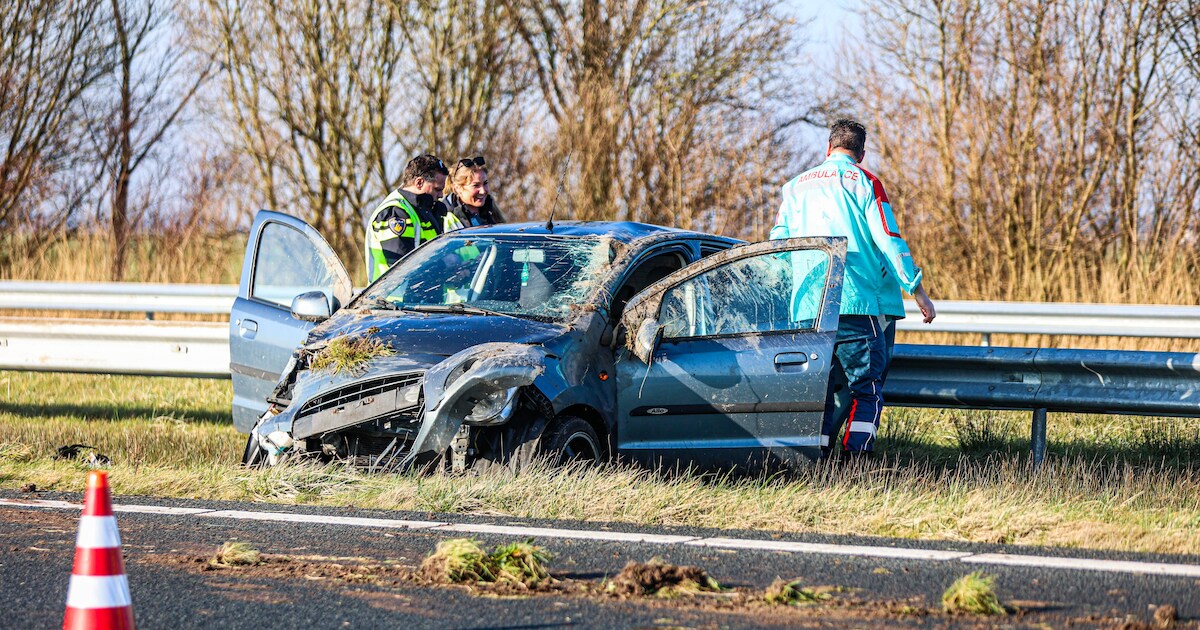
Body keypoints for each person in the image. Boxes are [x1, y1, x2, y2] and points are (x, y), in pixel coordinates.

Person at [770, 118, 936, 458]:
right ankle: (855, 460)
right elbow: (889, 241)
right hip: (856, 304)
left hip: (808, 309)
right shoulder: (865, 182)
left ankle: (814, 465)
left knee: (818, 392)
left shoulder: (795, 187)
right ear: (860, 154)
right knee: (866, 391)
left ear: (828, 149)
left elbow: (778, 247)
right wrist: (916, 289)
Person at [364, 155, 450, 282]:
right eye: (437, 189)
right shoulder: (395, 213)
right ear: (419, 182)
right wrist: (447, 266)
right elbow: (401, 267)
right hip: (393, 300)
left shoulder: (422, 211)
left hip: (419, 299)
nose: (441, 195)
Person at [439, 156, 506, 231]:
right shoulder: (444, 217)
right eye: (476, 185)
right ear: (457, 188)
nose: (483, 191)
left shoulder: (492, 211)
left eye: (485, 183)